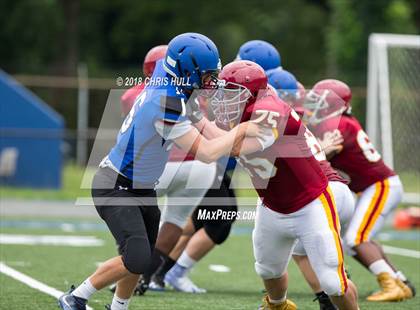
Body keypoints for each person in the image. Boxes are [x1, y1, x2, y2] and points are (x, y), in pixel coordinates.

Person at [58, 32, 261, 310]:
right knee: (137, 258)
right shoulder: (165, 101)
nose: (211, 81)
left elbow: (213, 135)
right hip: (116, 185)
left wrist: (245, 143)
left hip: (141, 187)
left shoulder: (177, 90)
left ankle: (119, 307)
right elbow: (206, 152)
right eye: (206, 74)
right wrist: (243, 129)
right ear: (187, 72)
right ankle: (76, 297)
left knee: (138, 256)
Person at [210, 60, 359, 310]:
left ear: (252, 94)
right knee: (268, 269)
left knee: (333, 283)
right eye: (224, 91)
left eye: (232, 92)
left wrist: (196, 126)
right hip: (272, 204)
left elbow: (232, 148)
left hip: (310, 203)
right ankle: (278, 306)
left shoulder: (270, 110)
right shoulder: (240, 110)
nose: (225, 98)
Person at [304, 79, 415, 302]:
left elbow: (322, 154)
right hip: (372, 187)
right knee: (353, 240)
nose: (315, 106)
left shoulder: (337, 124)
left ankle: (391, 284)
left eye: (320, 101)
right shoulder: (342, 121)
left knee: (356, 237)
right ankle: (400, 281)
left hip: (380, 186)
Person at [267, 69, 355, 310]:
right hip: (335, 189)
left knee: (326, 270)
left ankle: (328, 301)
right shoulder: (297, 115)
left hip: (324, 192)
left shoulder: (272, 118)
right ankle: (330, 297)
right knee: (322, 262)